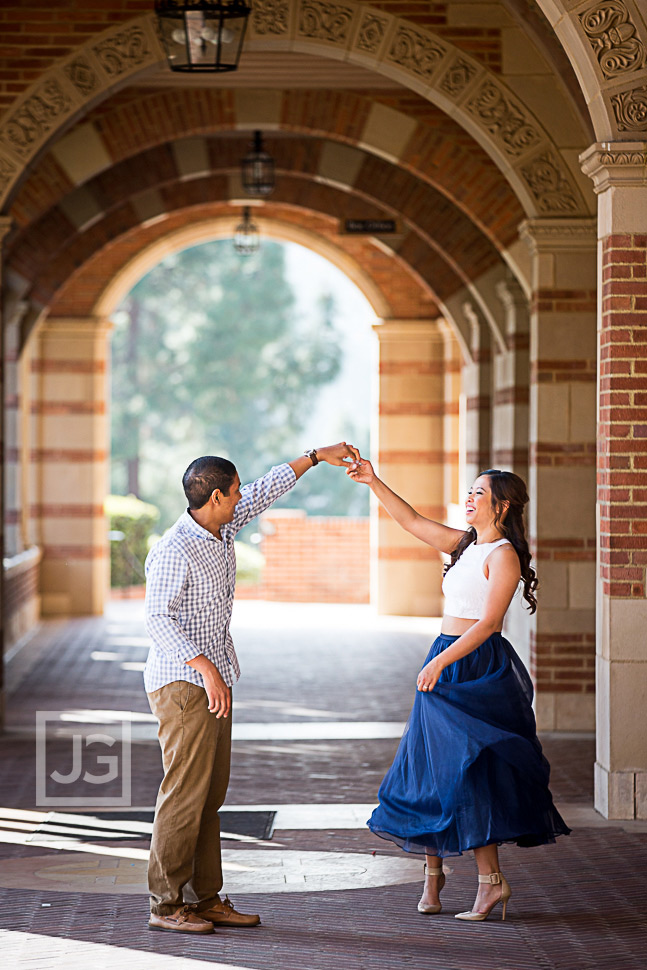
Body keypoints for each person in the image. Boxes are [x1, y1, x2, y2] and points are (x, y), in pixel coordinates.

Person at [144, 443, 357, 935]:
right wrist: (207, 670)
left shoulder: (222, 528)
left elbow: (264, 490)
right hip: (184, 685)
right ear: (215, 496)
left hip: (215, 678)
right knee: (183, 793)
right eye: (234, 492)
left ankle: (206, 897)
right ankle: (166, 904)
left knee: (210, 794)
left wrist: (315, 457)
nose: (242, 498)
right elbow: (157, 620)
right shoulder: (175, 549)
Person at [347, 456, 570, 922]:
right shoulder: (465, 544)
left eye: (479, 494)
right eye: (469, 492)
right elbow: (409, 520)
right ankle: (434, 877)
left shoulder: (503, 555)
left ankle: (491, 884)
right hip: (443, 655)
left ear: (503, 507)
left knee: (467, 772)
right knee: (428, 766)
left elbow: (490, 623)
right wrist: (373, 480)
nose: (469, 499)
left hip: (473, 667)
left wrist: (441, 662)